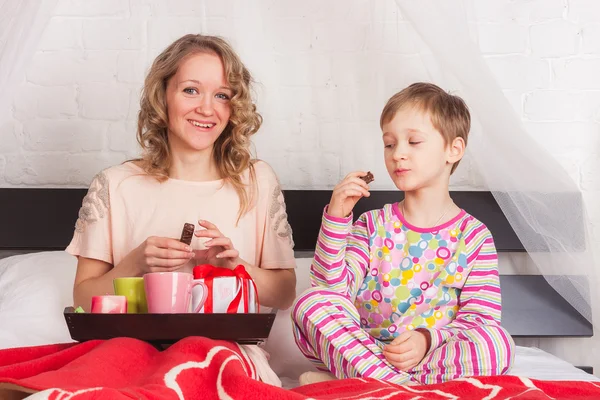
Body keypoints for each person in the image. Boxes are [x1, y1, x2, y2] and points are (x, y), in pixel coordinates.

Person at [291, 82, 515, 386]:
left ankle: (368, 386)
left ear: (454, 149)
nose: (398, 154)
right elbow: (333, 292)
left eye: (414, 142)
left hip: (432, 359)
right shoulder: (371, 225)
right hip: (360, 352)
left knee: (496, 342)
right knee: (312, 302)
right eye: (389, 143)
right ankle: (401, 389)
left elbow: (478, 321)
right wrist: (336, 217)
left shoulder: (474, 237)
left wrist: (427, 339)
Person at [67, 34, 296, 314]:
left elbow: (284, 294)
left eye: (222, 95)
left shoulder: (257, 181)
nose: (207, 108)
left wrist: (236, 268)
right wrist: (136, 263)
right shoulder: (114, 185)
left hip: (227, 351)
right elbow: (81, 298)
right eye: (191, 90)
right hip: (136, 349)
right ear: (162, 96)